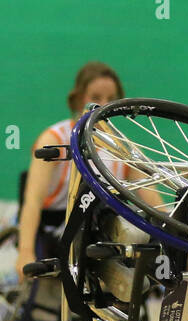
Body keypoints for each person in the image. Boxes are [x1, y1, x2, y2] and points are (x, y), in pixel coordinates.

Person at [16, 62, 126, 279]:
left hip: (102, 228)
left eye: (111, 99)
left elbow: (153, 203)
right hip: (56, 226)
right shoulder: (54, 139)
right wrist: (25, 252)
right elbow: (33, 201)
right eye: (96, 97)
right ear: (78, 100)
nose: (103, 106)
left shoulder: (122, 148)